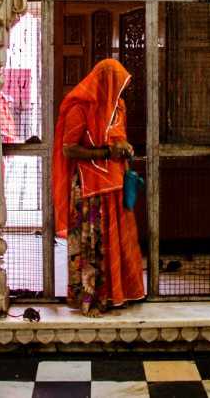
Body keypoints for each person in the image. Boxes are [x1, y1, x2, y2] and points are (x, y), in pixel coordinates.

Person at [52, 59, 145, 316]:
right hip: (90, 189)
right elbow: (69, 149)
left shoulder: (119, 107)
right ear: (105, 82)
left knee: (117, 242)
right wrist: (106, 152)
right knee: (93, 244)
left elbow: (118, 139)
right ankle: (93, 298)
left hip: (115, 185)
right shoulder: (80, 107)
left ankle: (118, 294)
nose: (121, 90)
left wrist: (125, 149)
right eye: (118, 84)